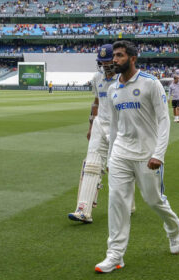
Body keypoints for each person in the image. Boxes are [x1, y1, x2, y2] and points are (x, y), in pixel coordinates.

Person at [95, 41, 179, 273]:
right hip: (121, 153)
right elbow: (114, 126)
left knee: (154, 200)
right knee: (117, 202)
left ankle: (174, 228)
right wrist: (111, 156)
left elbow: (164, 121)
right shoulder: (113, 88)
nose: (115, 60)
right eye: (114, 56)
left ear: (133, 58)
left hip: (147, 154)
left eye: (120, 55)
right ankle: (115, 255)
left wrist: (159, 154)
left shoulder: (151, 83)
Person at [68, 44, 130, 223]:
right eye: (101, 63)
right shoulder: (97, 77)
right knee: (92, 165)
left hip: (119, 127)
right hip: (99, 125)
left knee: (119, 167)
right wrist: (91, 126)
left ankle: (129, 202)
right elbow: (96, 102)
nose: (105, 66)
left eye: (107, 62)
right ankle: (83, 210)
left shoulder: (124, 78)